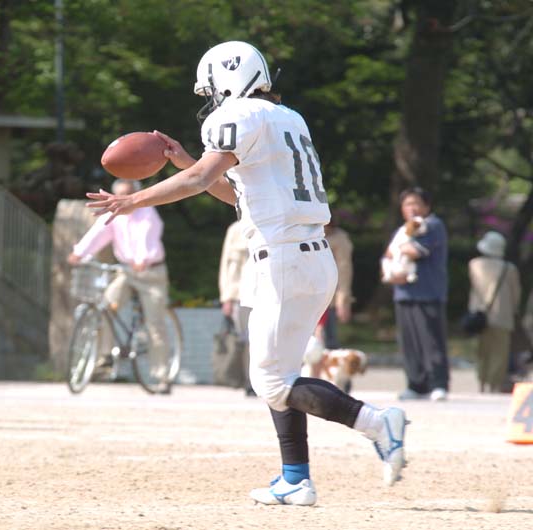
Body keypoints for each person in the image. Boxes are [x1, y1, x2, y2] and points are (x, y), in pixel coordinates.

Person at [85, 40, 408, 505]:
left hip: (284, 258)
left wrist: (132, 199)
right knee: (280, 373)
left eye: (211, 88)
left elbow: (199, 181)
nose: (211, 98)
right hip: (307, 256)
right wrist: (185, 161)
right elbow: (237, 196)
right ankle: (295, 479)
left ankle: (378, 423)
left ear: (226, 79)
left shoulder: (237, 116)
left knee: (273, 382)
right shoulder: (286, 117)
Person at [67, 178, 172, 394]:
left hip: (150, 272)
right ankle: (104, 357)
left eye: (127, 194)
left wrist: (142, 259)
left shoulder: (147, 212)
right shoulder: (113, 214)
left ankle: (162, 376)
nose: (123, 199)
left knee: (154, 323)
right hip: (126, 271)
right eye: (120, 195)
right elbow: (98, 233)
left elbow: (148, 234)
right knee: (105, 306)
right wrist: (80, 253)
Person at [385, 187, 450, 401]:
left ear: (426, 206)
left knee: (431, 340)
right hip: (403, 293)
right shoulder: (403, 230)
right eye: (407, 204)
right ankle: (415, 385)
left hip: (428, 292)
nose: (411, 208)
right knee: (409, 342)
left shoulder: (432, 225)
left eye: (416, 203)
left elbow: (414, 251)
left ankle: (438, 383)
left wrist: (399, 247)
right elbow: (388, 255)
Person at [468, 231, 520, 392]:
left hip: (479, 315)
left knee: (482, 350)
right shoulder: (509, 268)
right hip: (502, 316)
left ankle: (481, 382)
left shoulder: (474, 264)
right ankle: (494, 384)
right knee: (500, 352)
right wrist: (514, 310)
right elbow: (515, 294)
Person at [218, 219, 254, 395]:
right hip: (240, 294)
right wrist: (226, 297)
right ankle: (249, 382)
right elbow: (226, 264)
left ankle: (260, 381)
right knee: (245, 338)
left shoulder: (272, 222)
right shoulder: (235, 229)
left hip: (267, 292)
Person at [322, 216, 353, 348]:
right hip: (308, 293)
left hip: (330, 296)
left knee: (328, 341)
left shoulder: (339, 238)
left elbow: (344, 268)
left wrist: (342, 298)